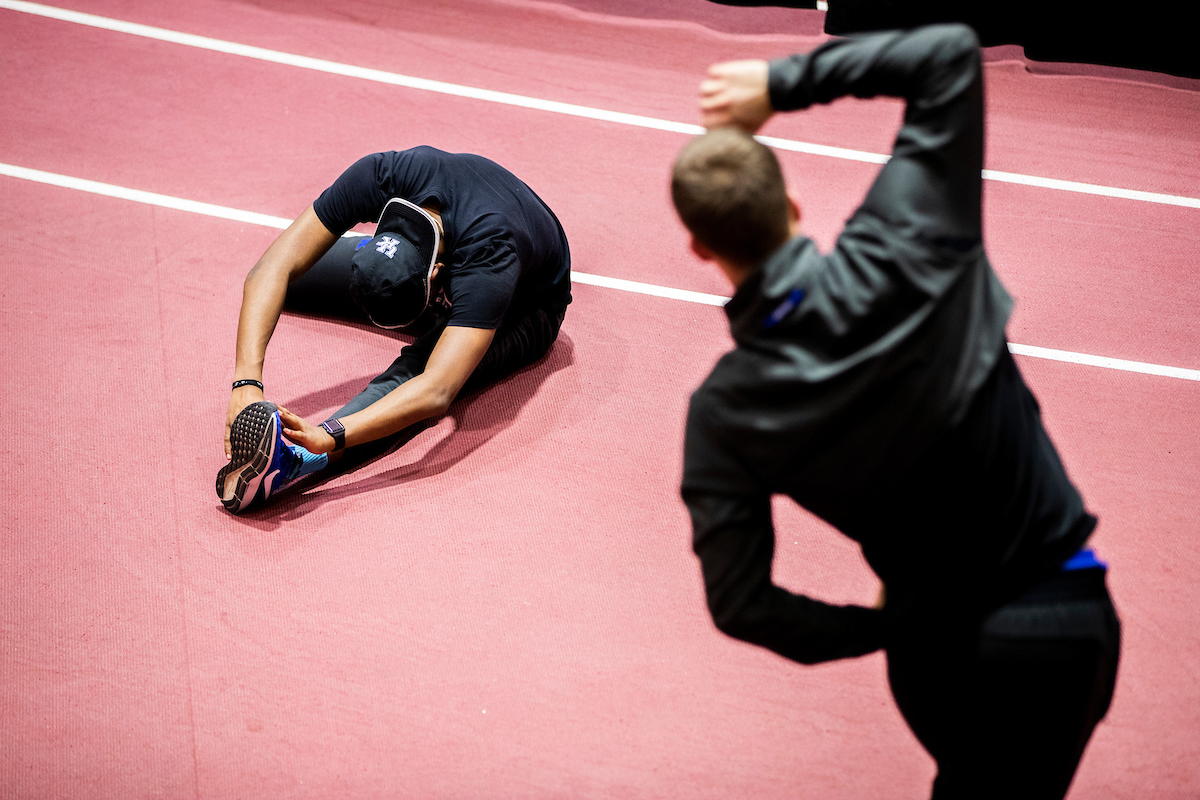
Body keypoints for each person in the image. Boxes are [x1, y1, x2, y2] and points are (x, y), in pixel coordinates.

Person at [672, 24, 1119, 799]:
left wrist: (881, 628)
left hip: (944, 654)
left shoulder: (722, 413)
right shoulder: (909, 239)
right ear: (793, 202)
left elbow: (742, 604)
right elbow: (947, 53)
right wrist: (778, 83)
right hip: (1072, 619)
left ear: (700, 249)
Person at [217, 146, 571, 514]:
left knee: (412, 372)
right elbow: (272, 267)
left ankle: (293, 461)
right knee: (292, 279)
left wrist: (329, 436)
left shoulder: (490, 252)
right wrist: (246, 383)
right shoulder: (383, 175)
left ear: (437, 281)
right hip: (444, 252)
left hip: (526, 307)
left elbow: (435, 390)